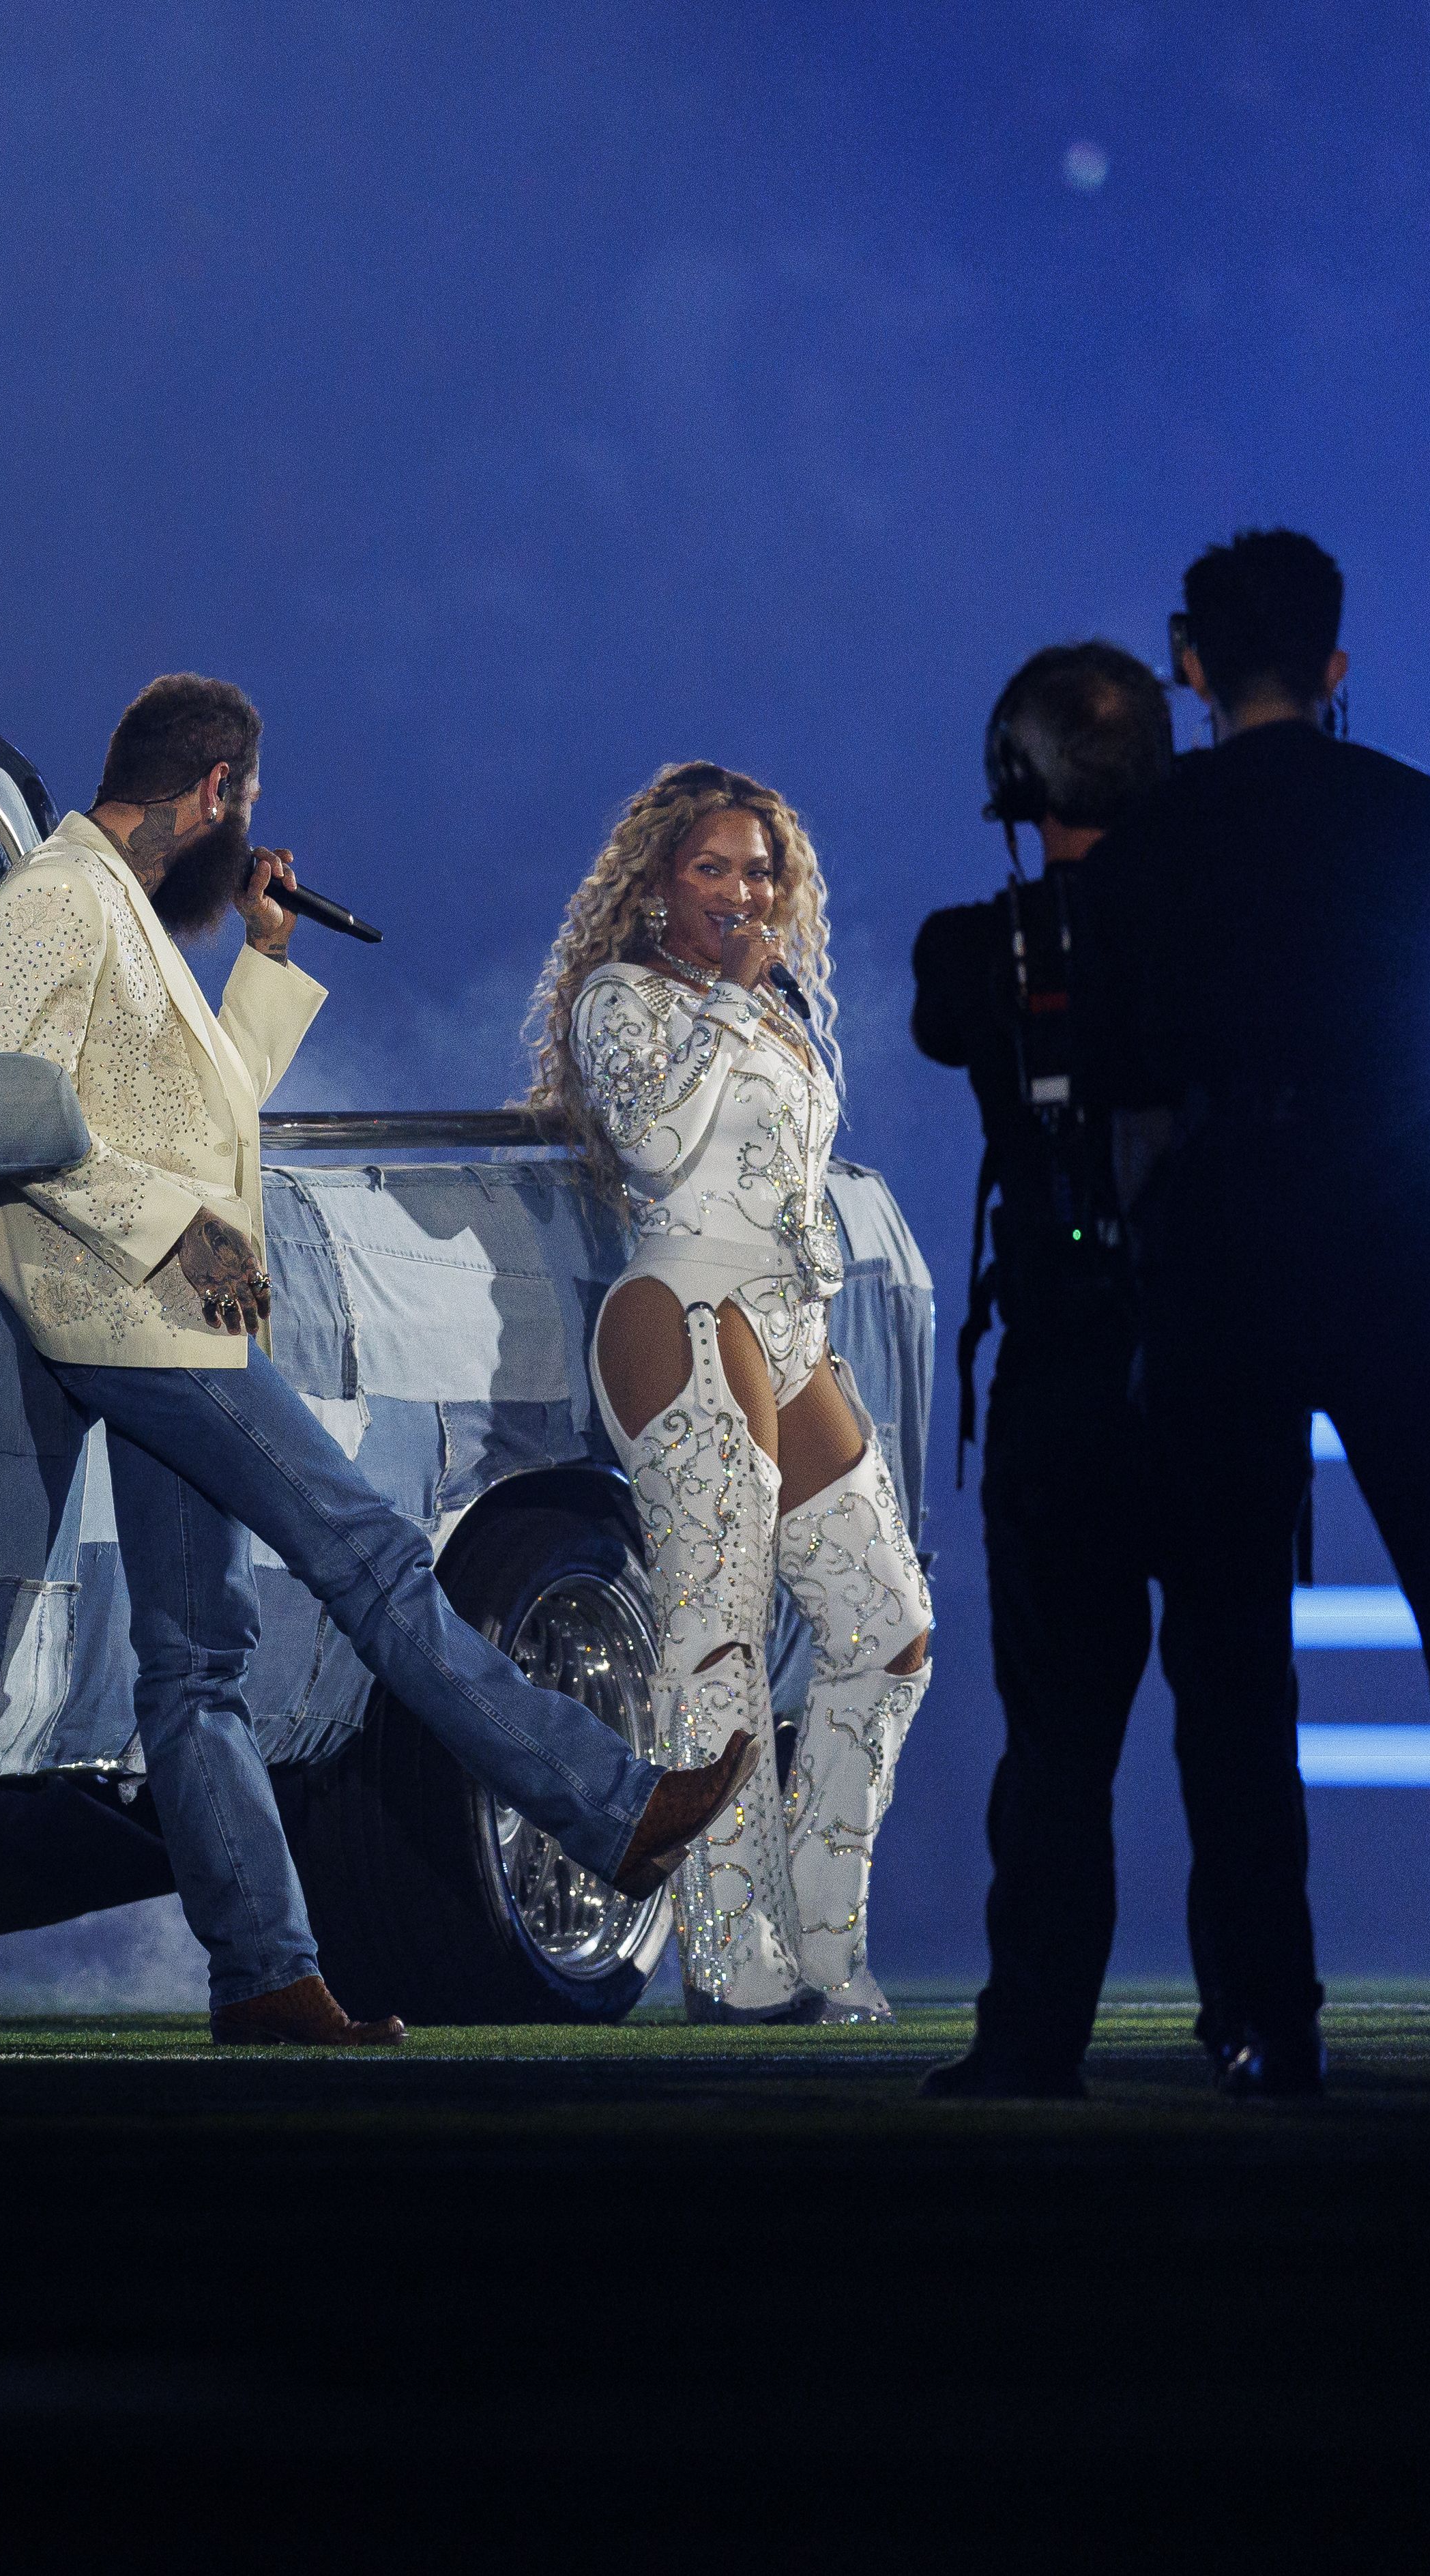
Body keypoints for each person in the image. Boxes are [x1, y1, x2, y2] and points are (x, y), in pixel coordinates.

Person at [0, 674, 756, 2047]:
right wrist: (196, 1253)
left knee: (194, 1660)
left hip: (161, 1311)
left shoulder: (115, 911)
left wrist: (263, 955)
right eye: (247, 803)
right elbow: (21, 1127)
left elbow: (193, 1104)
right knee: (373, 1560)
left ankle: (264, 1976)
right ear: (213, 787)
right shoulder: (49, 902)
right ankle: (611, 1807)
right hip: (133, 1319)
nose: (249, 829)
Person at [1094, 527, 1430, 2100]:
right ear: (1333, 667)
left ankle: (1267, 2015)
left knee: (1230, 1661)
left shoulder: (1145, 845)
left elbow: (1108, 1074)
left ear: (1189, 661)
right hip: (1395, 1255)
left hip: (1214, 1266)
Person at [527, 765, 934, 2022]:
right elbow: (653, 1144)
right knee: (720, 1632)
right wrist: (719, 1006)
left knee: (891, 1632)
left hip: (790, 1322)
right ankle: (729, 1950)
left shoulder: (781, 1013)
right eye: (712, 869)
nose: (743, 892)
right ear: (656, 887)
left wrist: (754, 1009)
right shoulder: (623, 1000)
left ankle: (824, 1932)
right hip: (681, 1309)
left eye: (759, 870)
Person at [910, 645, 1225, 2097]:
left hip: (1057, 1381)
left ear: (1010, 781)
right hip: (1213, 1368)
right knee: (1237, 1713)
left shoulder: (973, 955)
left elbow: (937, 1018)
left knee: (1053, 1742)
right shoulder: (1223, 937)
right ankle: (1259, 2023)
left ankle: (1031, 2037)